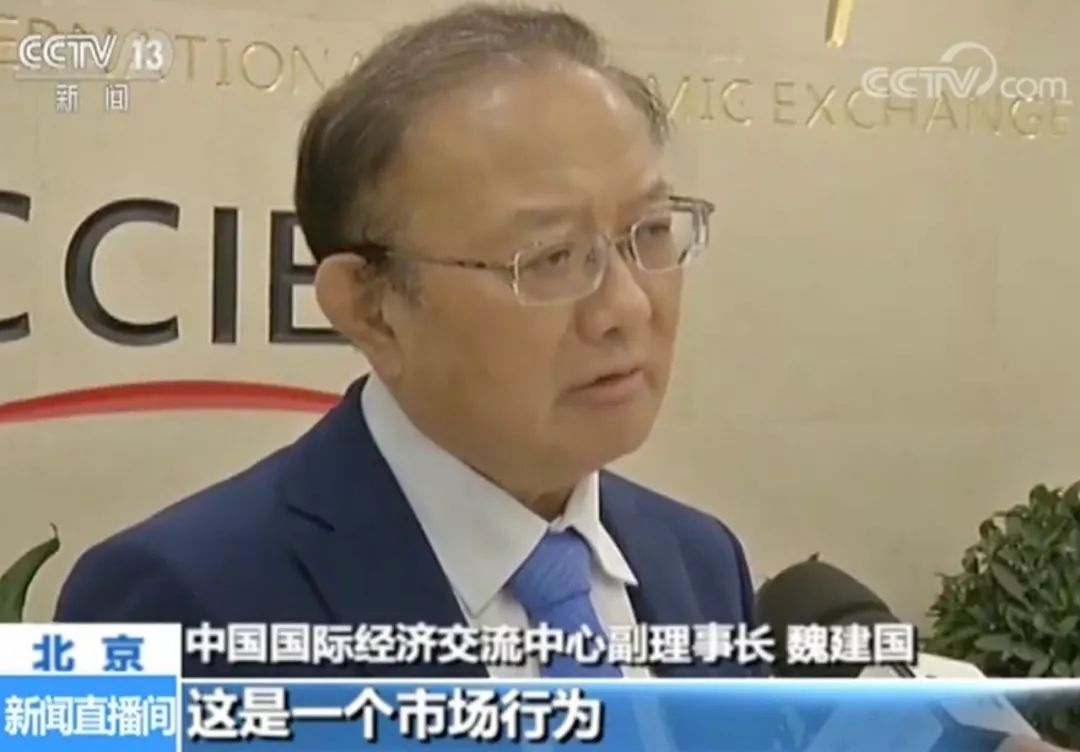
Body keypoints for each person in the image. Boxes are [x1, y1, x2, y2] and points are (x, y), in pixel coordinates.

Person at [55, 2, 759, 679]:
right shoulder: (155, 599)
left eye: (651, 231)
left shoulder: (701, 562)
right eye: (550, 257)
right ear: (372, 309)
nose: (627, 305)